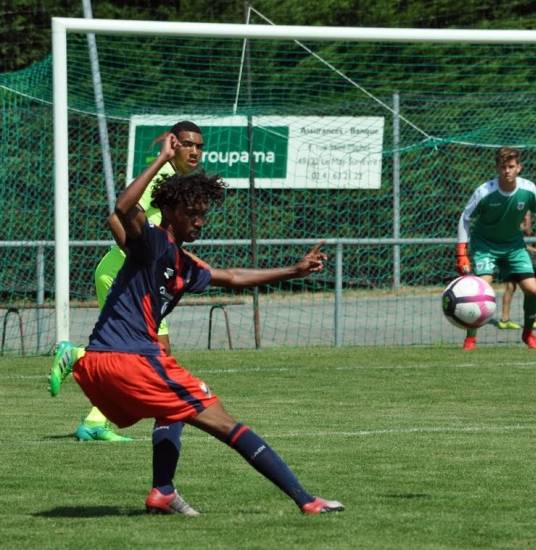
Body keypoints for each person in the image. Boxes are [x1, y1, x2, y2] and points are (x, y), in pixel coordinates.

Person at [52, 134, 343, 516]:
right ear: (170, 211)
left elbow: (234, 277)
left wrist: (294, 270)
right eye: (193, 213)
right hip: (132, 362)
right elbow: (123, 207)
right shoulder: (150, 242)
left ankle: (163, 492)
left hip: (100, 366)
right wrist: (162, 159)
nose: (200, 221)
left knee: (172, 411)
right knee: (225, 423)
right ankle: (306, 500)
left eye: (204, 214)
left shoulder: (184, 264)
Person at [50, 120, 205, 442]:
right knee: (152, 352)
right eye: (188, 144)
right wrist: (142, 260)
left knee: (146, 353)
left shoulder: (173, 180)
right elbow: (115, 216)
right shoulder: (160, 178)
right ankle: (76, 355)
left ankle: (96, 421)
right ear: (173, 144)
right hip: (124, 274)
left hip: (136, 277)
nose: (194, 151)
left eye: (199, 146)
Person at [456, 147, 536, 350]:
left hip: (514, 246)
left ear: (519, 168)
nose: (507, 171)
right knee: (481, 289)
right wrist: (462, 254)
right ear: (497, 168)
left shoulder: (529, 189)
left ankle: (528, 334)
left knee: (532, 289)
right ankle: (471, 338)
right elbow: (465, 217)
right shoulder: (484, 191)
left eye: (511, 167)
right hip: (485, 246)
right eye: (503, 167)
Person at [496, 211, 536, 330]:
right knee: (529, 287)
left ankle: (504, 320)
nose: (529, 219)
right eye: (527, 217)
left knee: (511, 286)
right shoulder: (512, 223)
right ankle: (534, 319)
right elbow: (523, 235)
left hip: (506, 254)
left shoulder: (510, 222)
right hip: (509, 255)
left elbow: (523, 236)